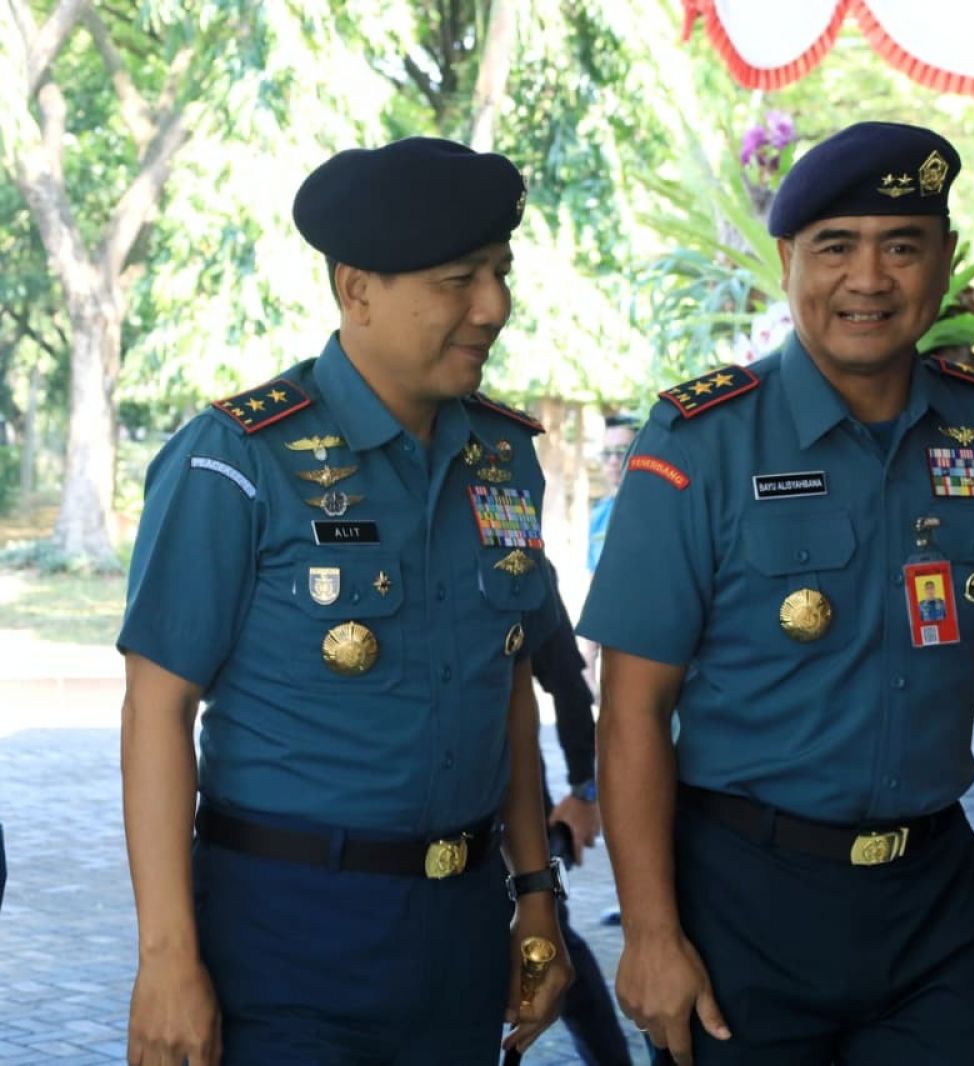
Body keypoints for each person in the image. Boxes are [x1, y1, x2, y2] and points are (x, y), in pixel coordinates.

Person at [578, 121, 974, 1066]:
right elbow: (633, 710)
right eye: (836, 247)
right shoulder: (700, 444)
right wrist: (652, 933)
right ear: (788, 261)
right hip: (744, 906)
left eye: (901, 246)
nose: (869, 279)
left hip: (933, 905)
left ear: (941, 263)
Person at [118, 137, 572, 1066]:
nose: (494, 307)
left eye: (499, 272)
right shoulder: (236, 459)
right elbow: (156, 711)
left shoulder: (503, 456)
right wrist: (166, 958)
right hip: (286, 932)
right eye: (458, 280)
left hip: (458, 928)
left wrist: (536, 897)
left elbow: (509, 689)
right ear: (356, 289)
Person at [531, 570, 633, 1066]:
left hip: (513, 820)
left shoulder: (510, 550)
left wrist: (583, 792)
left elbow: (568, 685)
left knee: (553, 944)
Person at [580, 414, 638, 699]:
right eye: (607, 454)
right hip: (610, 640)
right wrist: (589, 653)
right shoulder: (599, 513)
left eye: (622, 451)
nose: (613, 461)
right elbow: (596, 580)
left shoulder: (657, 510)